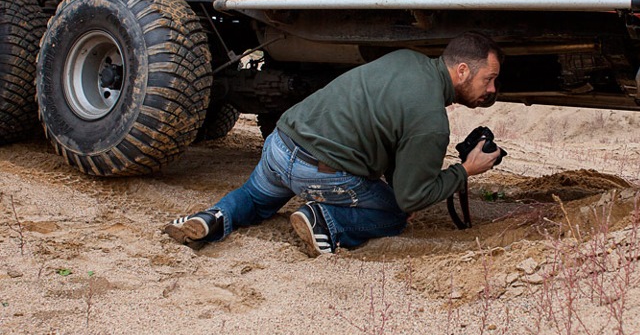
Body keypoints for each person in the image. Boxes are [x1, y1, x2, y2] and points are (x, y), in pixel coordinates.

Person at [163, 32, 504, 256]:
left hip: (281, 145)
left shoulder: (405, 58)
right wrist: (464, 170)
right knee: (395, 215)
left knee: (254, 196)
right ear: (461, 71)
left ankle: (212, 218)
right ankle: (325, 220)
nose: (491, 90)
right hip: (322, 172)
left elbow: (384, 134)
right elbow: (410, 196)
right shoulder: (431, 120)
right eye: (488, 79)